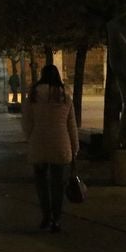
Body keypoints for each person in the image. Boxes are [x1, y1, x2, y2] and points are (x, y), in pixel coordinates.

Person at [21, 64, 79, 233]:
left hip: (39, 141)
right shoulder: (64, 96)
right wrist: (74, 147)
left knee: (41, 183)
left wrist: (30, 138)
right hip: (60, 142)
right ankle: (57, 218)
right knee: (58, 184)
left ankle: (45, 215)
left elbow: (27, 122)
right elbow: (72, 125)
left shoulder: (33, 95)